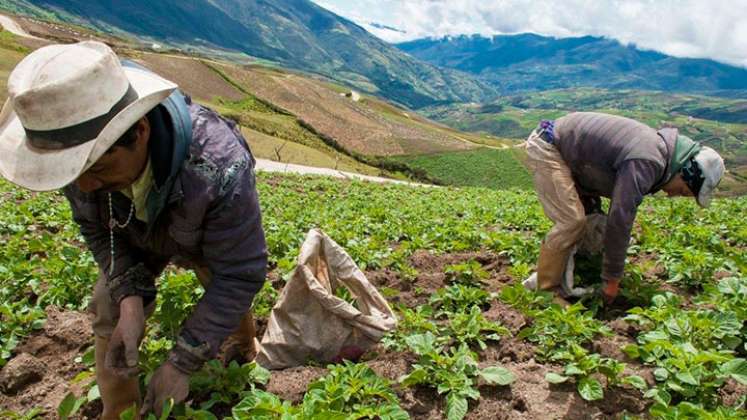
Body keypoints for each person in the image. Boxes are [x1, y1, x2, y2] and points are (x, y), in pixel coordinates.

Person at [0, 41, 268, 418]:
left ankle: (243, 343)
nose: (86, 187)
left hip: (198, 228)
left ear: (139, 131)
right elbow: (96, 229)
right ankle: (120, 409)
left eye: (96, 170)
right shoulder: (75, 157)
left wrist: (182, 362)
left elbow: (241, 274)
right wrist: (129, 299)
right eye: (76, 175)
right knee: (107, 304)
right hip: (130, 231)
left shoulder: (219, 169)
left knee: (217, 276)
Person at [524, 112, 725, 303]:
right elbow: (620, 218)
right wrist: (612, 280)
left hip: (578, 164)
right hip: (549, 146)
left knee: (594, 227)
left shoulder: (658, 157)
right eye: (681, 190)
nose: (673, 195)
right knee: (571, 221)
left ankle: (577, 270)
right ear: (683, 173)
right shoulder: (648, 161)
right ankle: (547, 291)